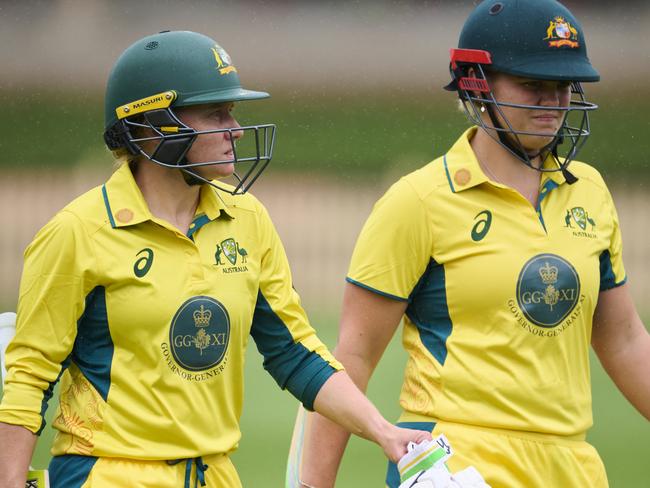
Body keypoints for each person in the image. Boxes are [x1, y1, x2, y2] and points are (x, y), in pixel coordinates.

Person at [0, 30, 430, 488]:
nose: (237, 130)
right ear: (153, 125)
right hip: (107, 474)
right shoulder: (75, 232)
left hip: (216, 475)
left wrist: (385, 433)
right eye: (215, 114)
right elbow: (30, 379)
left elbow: (295, 354)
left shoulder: (247, 218)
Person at [298, 1, 650, 487]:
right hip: (454, 462)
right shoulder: (418, 201)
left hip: (571, 465)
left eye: (564, 86)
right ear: (477, 84)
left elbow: (625, 339)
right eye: (533, 85)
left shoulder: (589, 190)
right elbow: (352, 359)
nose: (554, 102)